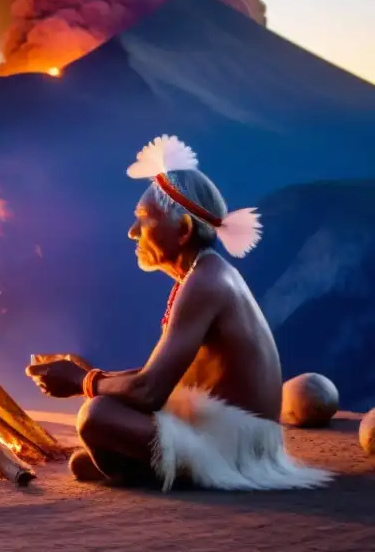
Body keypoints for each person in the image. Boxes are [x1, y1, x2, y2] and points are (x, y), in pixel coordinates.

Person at [27, 135, 332, 491]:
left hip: (233, 450)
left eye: (143, 220)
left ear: (184, 230)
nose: (132, 232)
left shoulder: (206, 283)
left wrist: (83, 382)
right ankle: (133, 467)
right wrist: (91, 376)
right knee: (104, 411)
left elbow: (150, 390)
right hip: (227, 436)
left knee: (97, 415)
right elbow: (159, 378)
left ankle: (141, 470)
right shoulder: (203, 275)